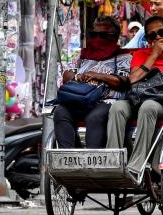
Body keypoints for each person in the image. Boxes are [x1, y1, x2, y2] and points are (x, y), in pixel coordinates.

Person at [107, 16, 163, 180]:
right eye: (152, 36)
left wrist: (149, 82)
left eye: (161, 32)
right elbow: (132, 80)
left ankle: (136, 166)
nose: (158, 38)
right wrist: (153, 56)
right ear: (147, 40)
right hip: (136, 98)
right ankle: (113, 163)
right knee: (117, 108)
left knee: (149, 106)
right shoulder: (141, 54)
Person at [54, 16, 131, 149]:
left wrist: (98, 76)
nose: (97, 39)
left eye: (103, 35)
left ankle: (93, 162)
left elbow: (123, 81)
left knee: (94, 117)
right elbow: (66, 75)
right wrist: (79, 76)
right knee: (60, 112)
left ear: (115, 36)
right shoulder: (81, 54)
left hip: (106, 100)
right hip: (80, 98)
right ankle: (68, 160)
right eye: (94, 34)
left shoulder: (123, 56)